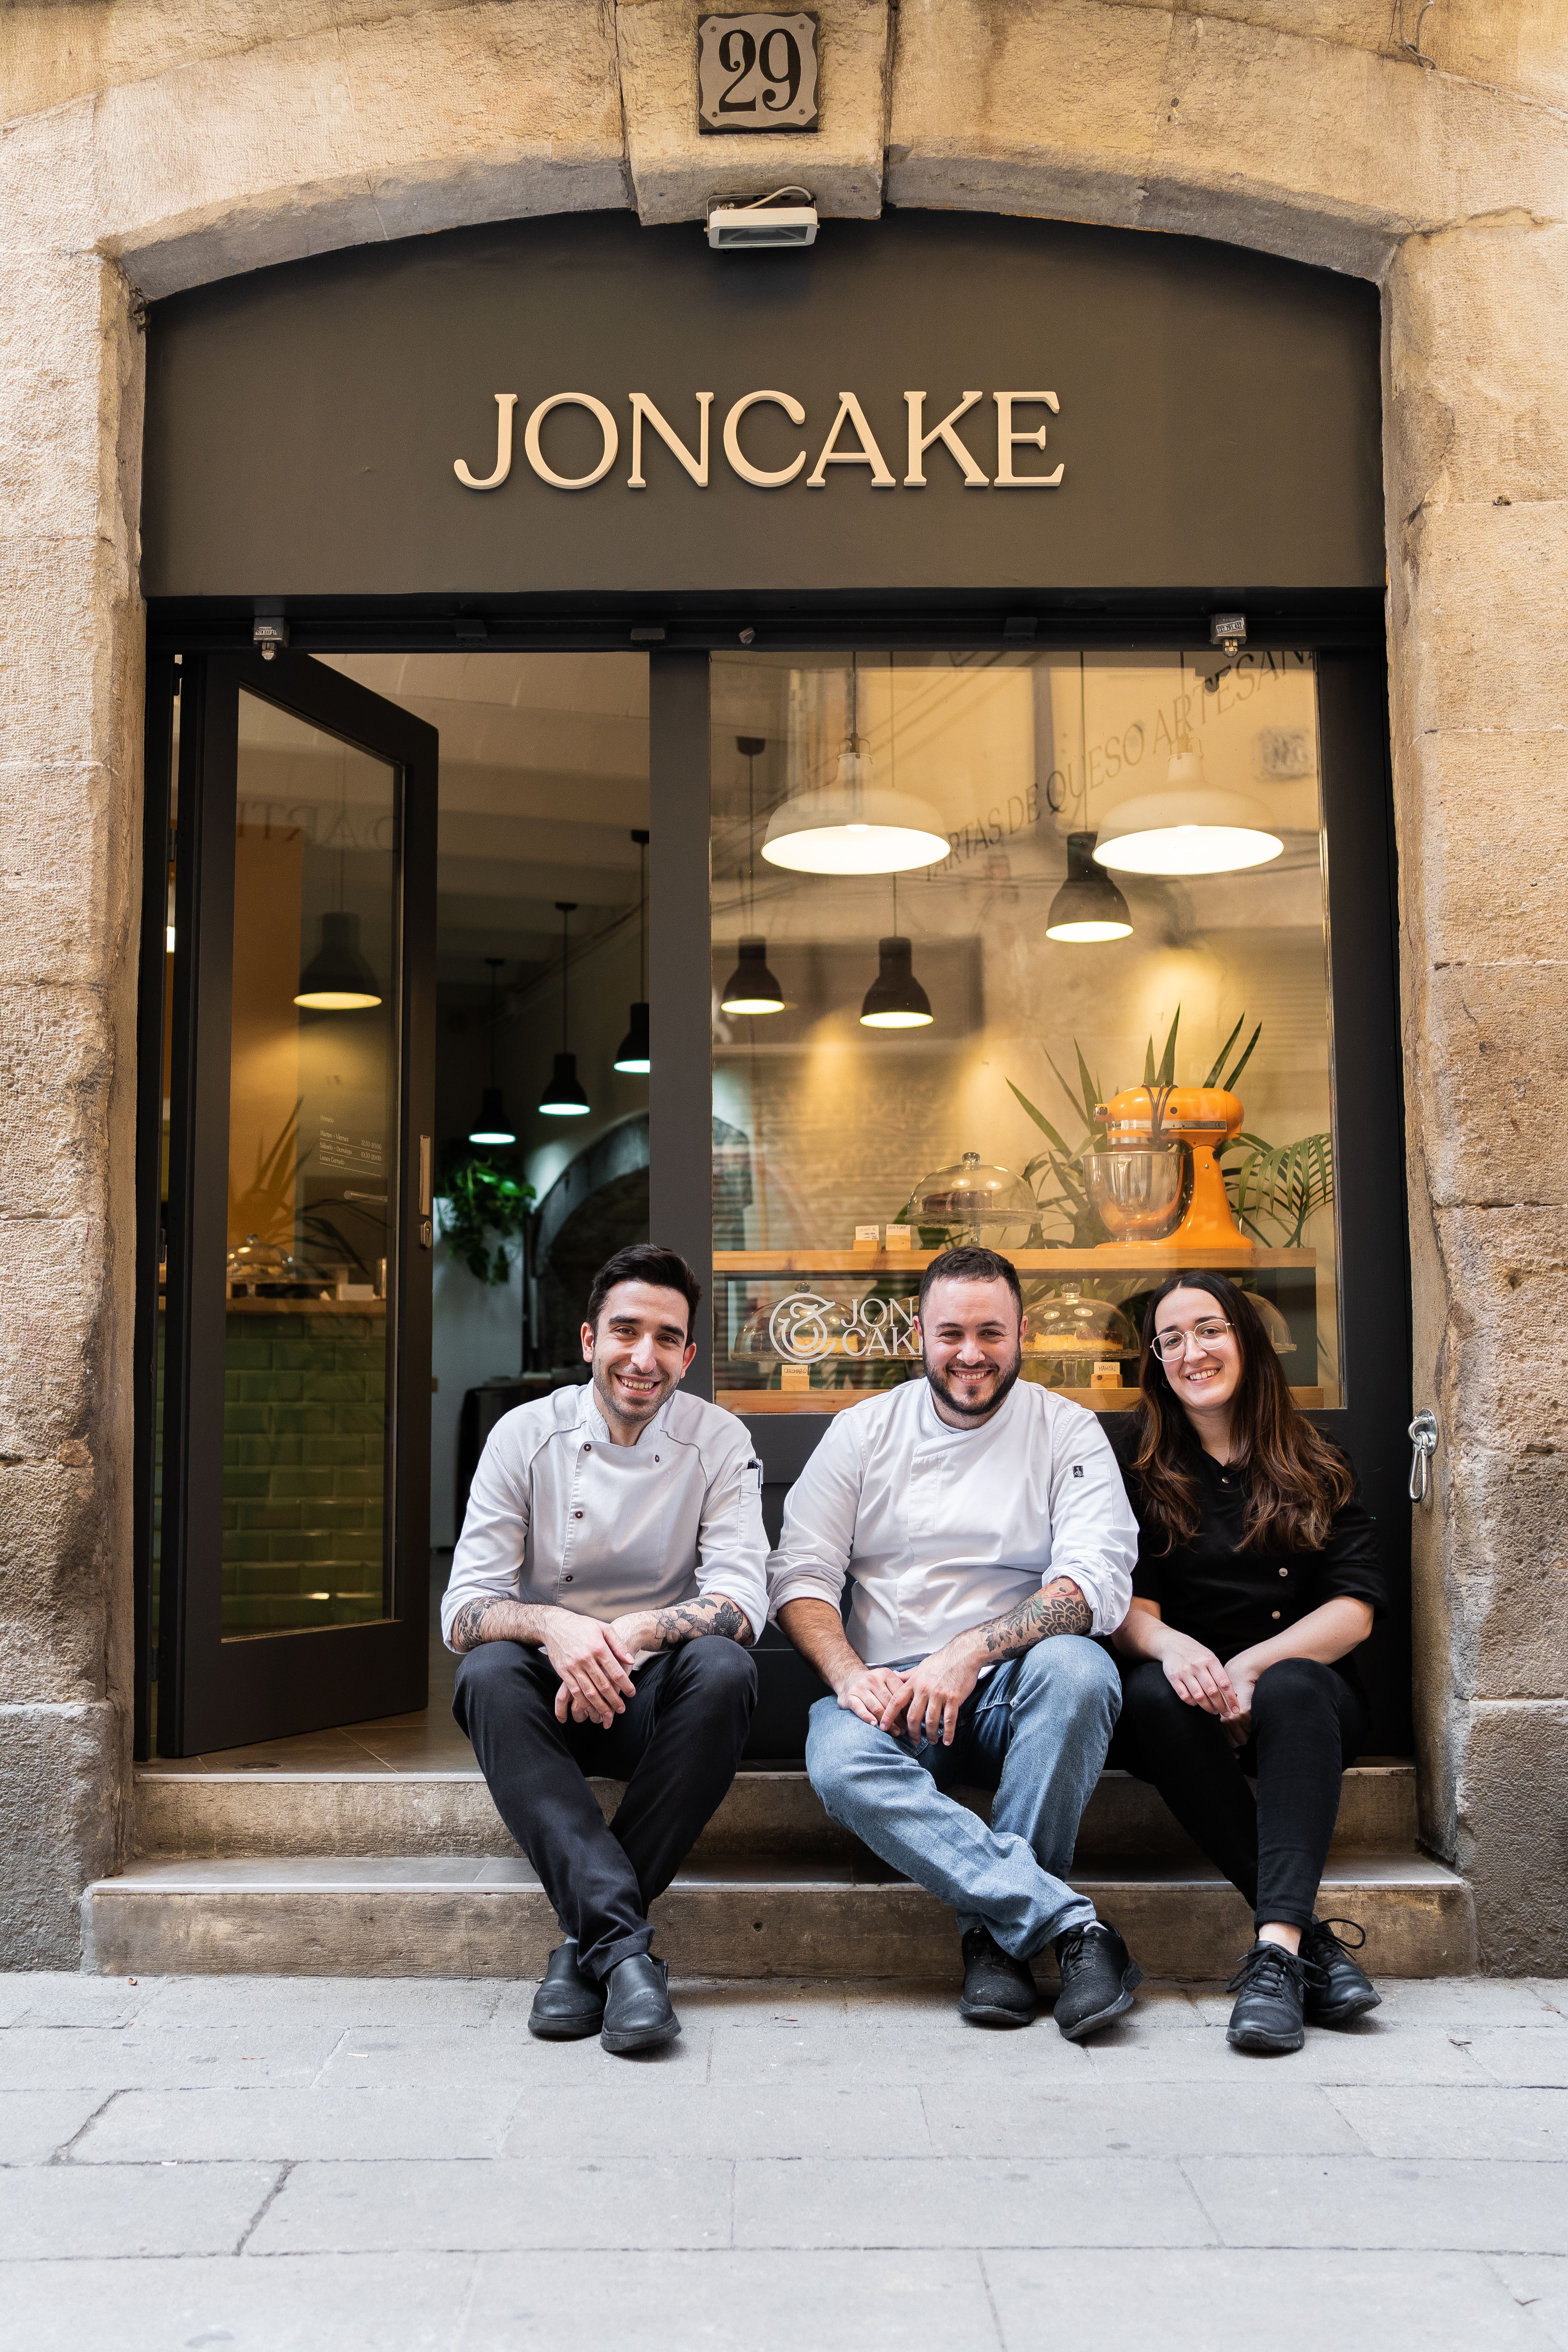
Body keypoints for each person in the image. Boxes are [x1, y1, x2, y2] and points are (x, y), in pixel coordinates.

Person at [771, 1244, 1144, 2039]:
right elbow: (798, 1574)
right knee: (835, 1758)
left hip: (1014, 1687)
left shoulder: (1064, 1430)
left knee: (1080, 1670)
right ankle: (1062, 1925)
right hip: (892, 1694)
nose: (969, 1354)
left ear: (1021, 1334)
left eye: (989, 1332)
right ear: (918, 1333)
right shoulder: (862, 1432)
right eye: (949, 1333)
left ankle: (993, 1945)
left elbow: (1095, 1584)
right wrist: (846, 1674)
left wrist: (970, 1652)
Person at [443, 1242, 767, 2056]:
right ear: (589, 1340)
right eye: (625, 1331)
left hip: (656, 1704)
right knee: (484, 1671)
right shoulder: (524, 1435)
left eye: (666, 1339)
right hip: (548, 1702)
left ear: (687, 1357)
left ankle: (584, 1950)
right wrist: (556, 1628)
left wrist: (629, 1634)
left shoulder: (718, 1440)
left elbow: (742, 1603)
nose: (642, 1357)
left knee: (726, 1669)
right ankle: (623, 1953)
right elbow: (462, 1610)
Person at [1107, 1270, 1386, 2056]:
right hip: (1187, 1705)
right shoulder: (1132, 1464)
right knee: (1149, 1698)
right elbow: (1122, 1604)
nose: (1190, 1352)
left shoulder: (1317, 1459)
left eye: (1208, 1330)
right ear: (1155, 1363)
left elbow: (1352, 1610)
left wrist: (1252, 1668)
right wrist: (1177, 1652)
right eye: (1169, 1341)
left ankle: (1273, 1955)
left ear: (1247, 1341)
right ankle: (1308, 1953)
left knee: (1298, 1685)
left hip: (1299, 1707)